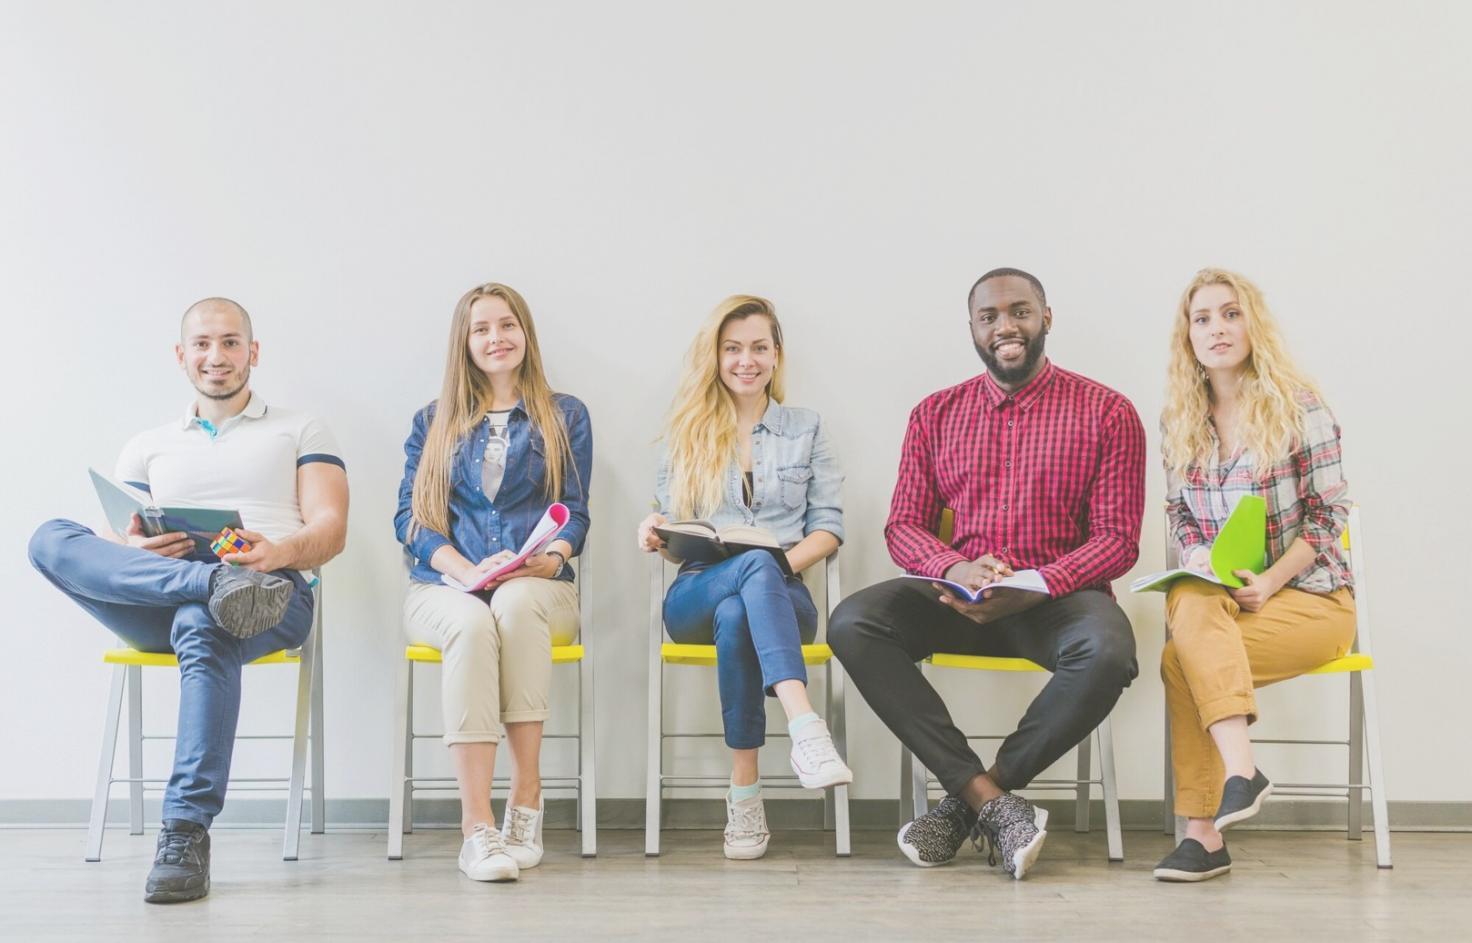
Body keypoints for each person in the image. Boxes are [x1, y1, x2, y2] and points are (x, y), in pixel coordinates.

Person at [27, 298, 348, 903]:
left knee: (205, 623)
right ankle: (209, 584)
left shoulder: (300, 428)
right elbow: (117, 546)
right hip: (167, 589)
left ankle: (184, 829)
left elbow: (331, 530)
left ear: (253, 352)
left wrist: (273, 554)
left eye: (231, 342)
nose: (216, 356)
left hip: (272, 590)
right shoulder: (148, 445)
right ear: (182, 356)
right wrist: (141, 553)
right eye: (202, 343)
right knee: (50, 538)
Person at [829, 268, 1144, 879]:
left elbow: (1117, 540)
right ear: (972, 328)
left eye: (1020, 312)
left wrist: (1038, 583)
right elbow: (904, 527)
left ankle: (973, 800)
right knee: (855, 621)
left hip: (1057, 600)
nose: (1006, 326)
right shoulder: (934, 413)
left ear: (1046, 317)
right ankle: (993, 804)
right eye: (990, 317)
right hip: (959, 599)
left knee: (1108, 651)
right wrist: (954, 566)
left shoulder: (1108, 411)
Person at [1152, 269, 1356, 882]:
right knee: (1188, 600)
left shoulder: (1300, 406)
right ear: (1187, 336)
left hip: (1314, 600)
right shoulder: (1179, 420)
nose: (1217, 328)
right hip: (1225, 604)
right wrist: (1194, 555)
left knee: (1179, 658)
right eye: (1203, 318)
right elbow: (1180, 512)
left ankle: (1205, 831)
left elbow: (1329, 516)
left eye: (1230, 314)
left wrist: (1272, 581)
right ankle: (1237, 781)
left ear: (1253, 324)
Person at [636, 294, 852, 860]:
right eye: (733, 348)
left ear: (777, 355)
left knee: (746, 601)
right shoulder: (686, 429)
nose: (746, 360)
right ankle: (805, 726)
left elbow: (828, 529)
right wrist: (655, 529)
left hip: (782, 594)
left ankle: (745, 797)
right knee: (744, 575)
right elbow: (671, 524)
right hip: (696, 592)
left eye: (759, 347)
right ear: (716, 356)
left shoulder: (807, 428)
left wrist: (772, 565)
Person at [396, 282, 591, 884]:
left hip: (539, 589)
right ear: (465, 343)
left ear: (525, 334)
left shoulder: (567, 415)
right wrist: (461, 568)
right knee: (476, 620)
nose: (495, 338)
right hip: (443, 590)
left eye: (506, 325)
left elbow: (576, 513)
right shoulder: (432, 421)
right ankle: (477, 827)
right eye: (481, 329)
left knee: (513, 600)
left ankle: (526, 797)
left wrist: (550, 555)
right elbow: (409, 518)